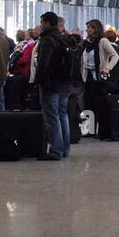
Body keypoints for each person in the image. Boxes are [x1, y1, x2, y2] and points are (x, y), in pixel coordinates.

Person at [32, 11, 74, 160]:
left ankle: (56, 151)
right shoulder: (63, 39)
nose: (41, 25)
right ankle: (64, 149)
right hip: (65, 83)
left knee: (51, 117)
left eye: (42, 22)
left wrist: (36, 82)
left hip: (51, 84)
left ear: (47, 23)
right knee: (63, 116)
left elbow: (43, 64)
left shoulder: (47, 40)